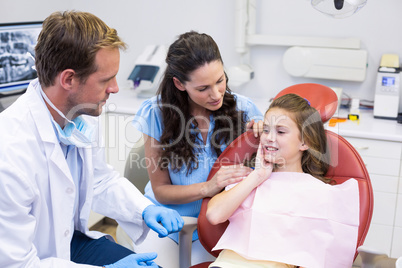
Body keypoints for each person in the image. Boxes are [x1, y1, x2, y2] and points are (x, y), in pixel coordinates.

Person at [0, 11, 183, 268]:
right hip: (31, 257)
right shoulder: (10, 152)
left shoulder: (81, 116)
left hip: (70, 242)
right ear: (68, 79)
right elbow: (15, 263)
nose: (115, 88)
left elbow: (99, 180)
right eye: (106, 80)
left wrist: (143, 208)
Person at [131, 31, 263, 262]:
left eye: (220, 80)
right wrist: (208, 187)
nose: (216, 94)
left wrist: (265, 135)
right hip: (166, 220)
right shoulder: (156, 113)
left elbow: (266, 171)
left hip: (221, 223)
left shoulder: (245, 110)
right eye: (203, 89)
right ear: (179, 84)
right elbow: (161, 190)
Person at [206, 93, 360, 268]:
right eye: (265, 129)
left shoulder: (320, 193)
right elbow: (214, 215)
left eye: (280, 131)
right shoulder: (249, 179)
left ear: (305, 142)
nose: (269, 138)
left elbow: (324, 257)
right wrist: (257, 177)